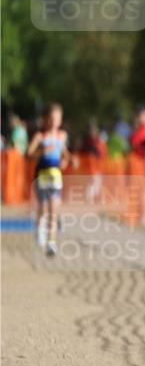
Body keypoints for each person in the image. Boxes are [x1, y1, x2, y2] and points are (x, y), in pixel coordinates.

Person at [26, 103, 69, 256]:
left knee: (53, 208)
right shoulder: (40, 137)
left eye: (56, 119)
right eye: (50, 118)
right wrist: (41, 151)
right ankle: (39, 227)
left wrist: (67, 161)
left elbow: (65, 153)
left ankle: (51, 243)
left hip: (55, 175)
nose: (53, 122)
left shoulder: (61, 136)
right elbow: (29, 154)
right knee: (43, 208)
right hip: (41, 175)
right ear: (45, 120)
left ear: (60, 120)